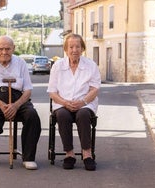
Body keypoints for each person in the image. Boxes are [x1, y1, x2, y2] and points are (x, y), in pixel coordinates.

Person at [0, 35, 41, 170]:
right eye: (1, 49)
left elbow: (27, 90)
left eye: (8, 49)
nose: (4, 52)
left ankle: (28, 157)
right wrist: (0, 104)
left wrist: (15, 106)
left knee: (32, 115)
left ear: (13, 49)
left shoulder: (20, 63)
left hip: (17, 99)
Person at [47, 33, 101, 170]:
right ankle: (69, 154)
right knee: (62, 115)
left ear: (82, 48)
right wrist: (65, 103)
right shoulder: (58, 66)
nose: (74, 50)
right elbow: (52, 92)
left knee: (83, 115)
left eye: (77, 46)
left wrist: (82, 102)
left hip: (85, 104)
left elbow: (95, 89)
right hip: (62, 103)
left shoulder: (91, 65)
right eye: (71, 47)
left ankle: (87, 154)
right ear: (66, 49)